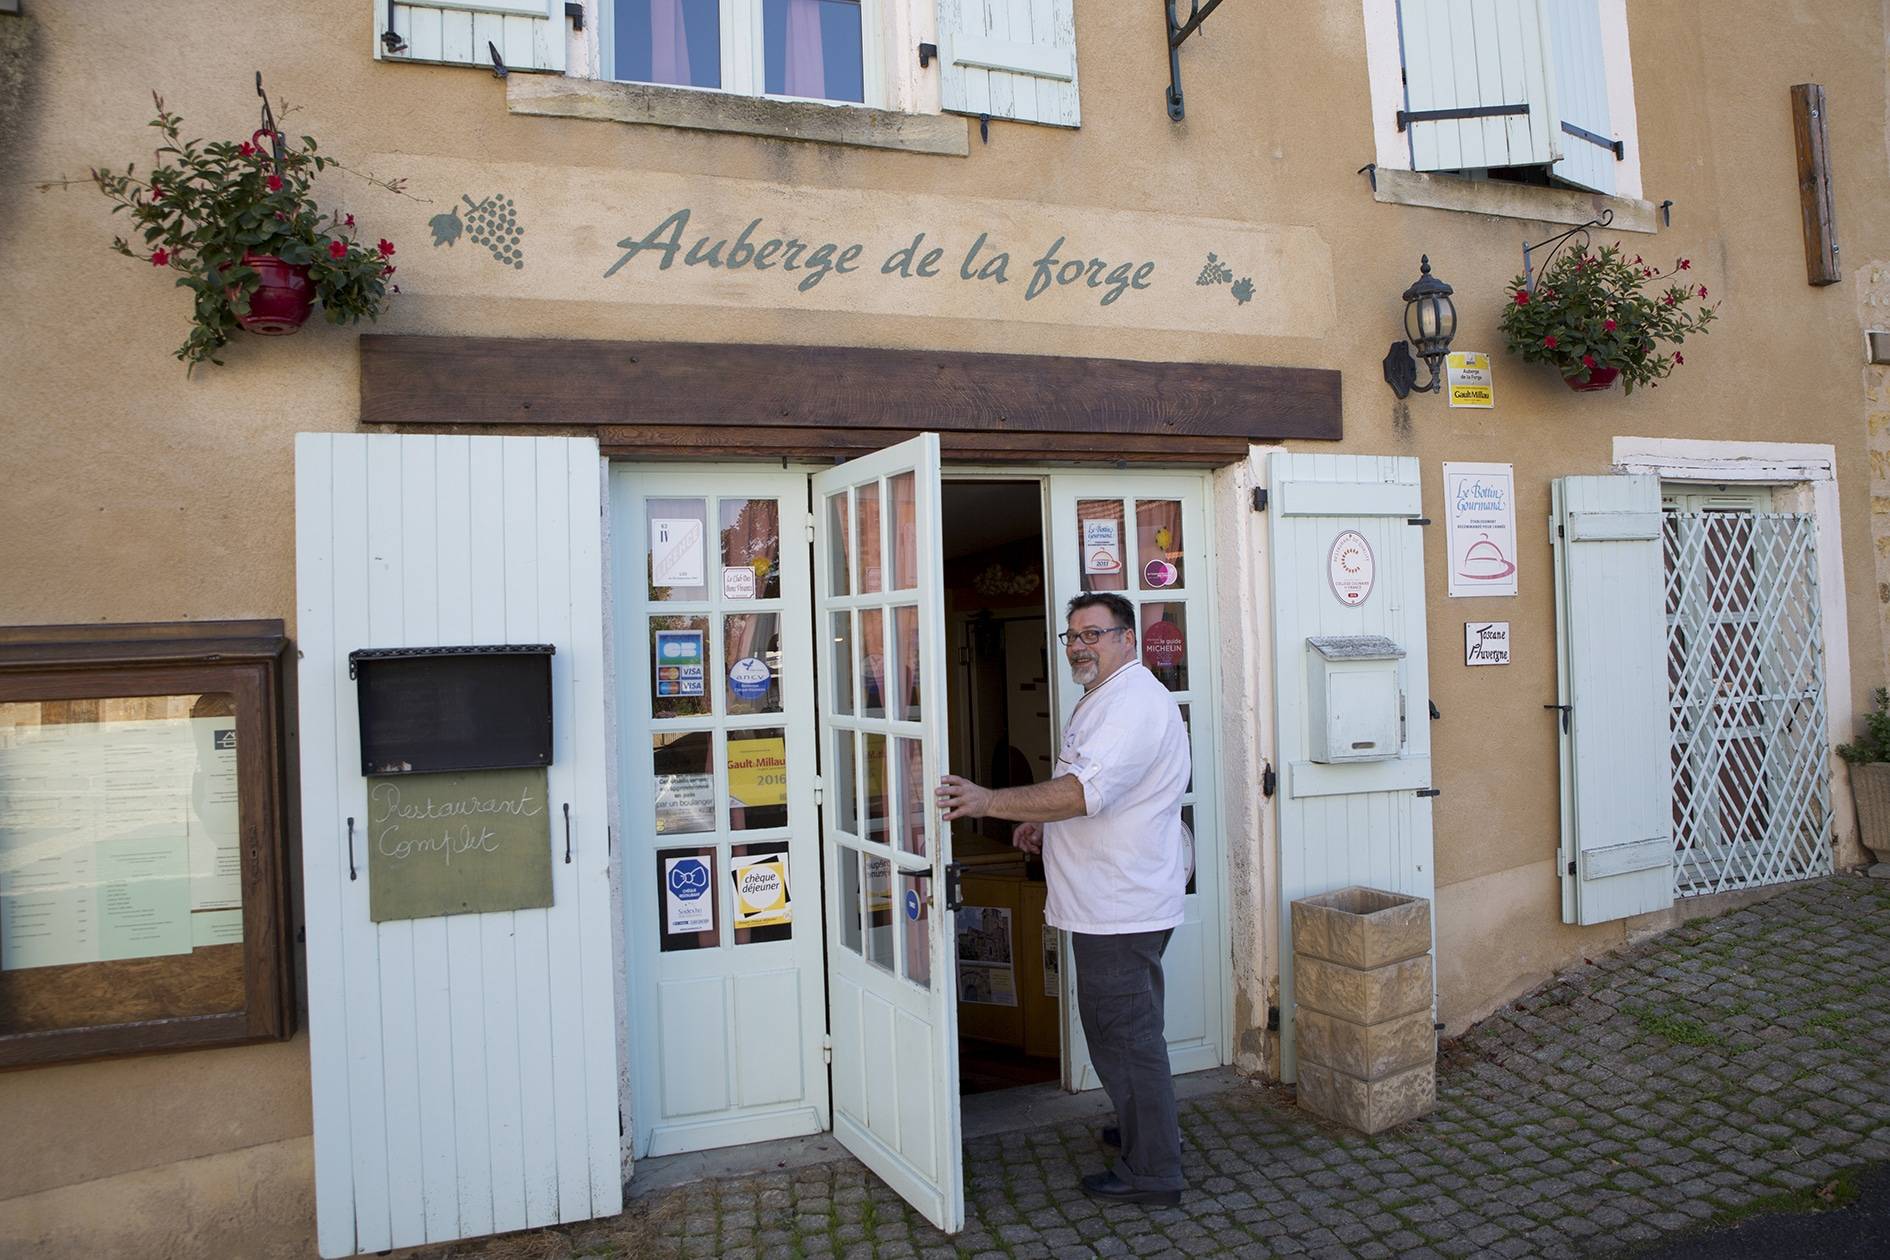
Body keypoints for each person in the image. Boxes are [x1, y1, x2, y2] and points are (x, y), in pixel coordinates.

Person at [936, 591, 1191, 1206]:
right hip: (1112, 898)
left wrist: (989, 800)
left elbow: (1082, 791)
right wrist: (1045, 827)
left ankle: (1153, 1171)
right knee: (1129, 1032)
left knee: (1125, 1036)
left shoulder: (1131, 703)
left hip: (1121, 905)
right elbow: (1090, 794)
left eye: (1093, 634)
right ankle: (1145, 1130)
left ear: (1127, 638)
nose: (1079, 645)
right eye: (1072, 636)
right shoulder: (1108, 698)